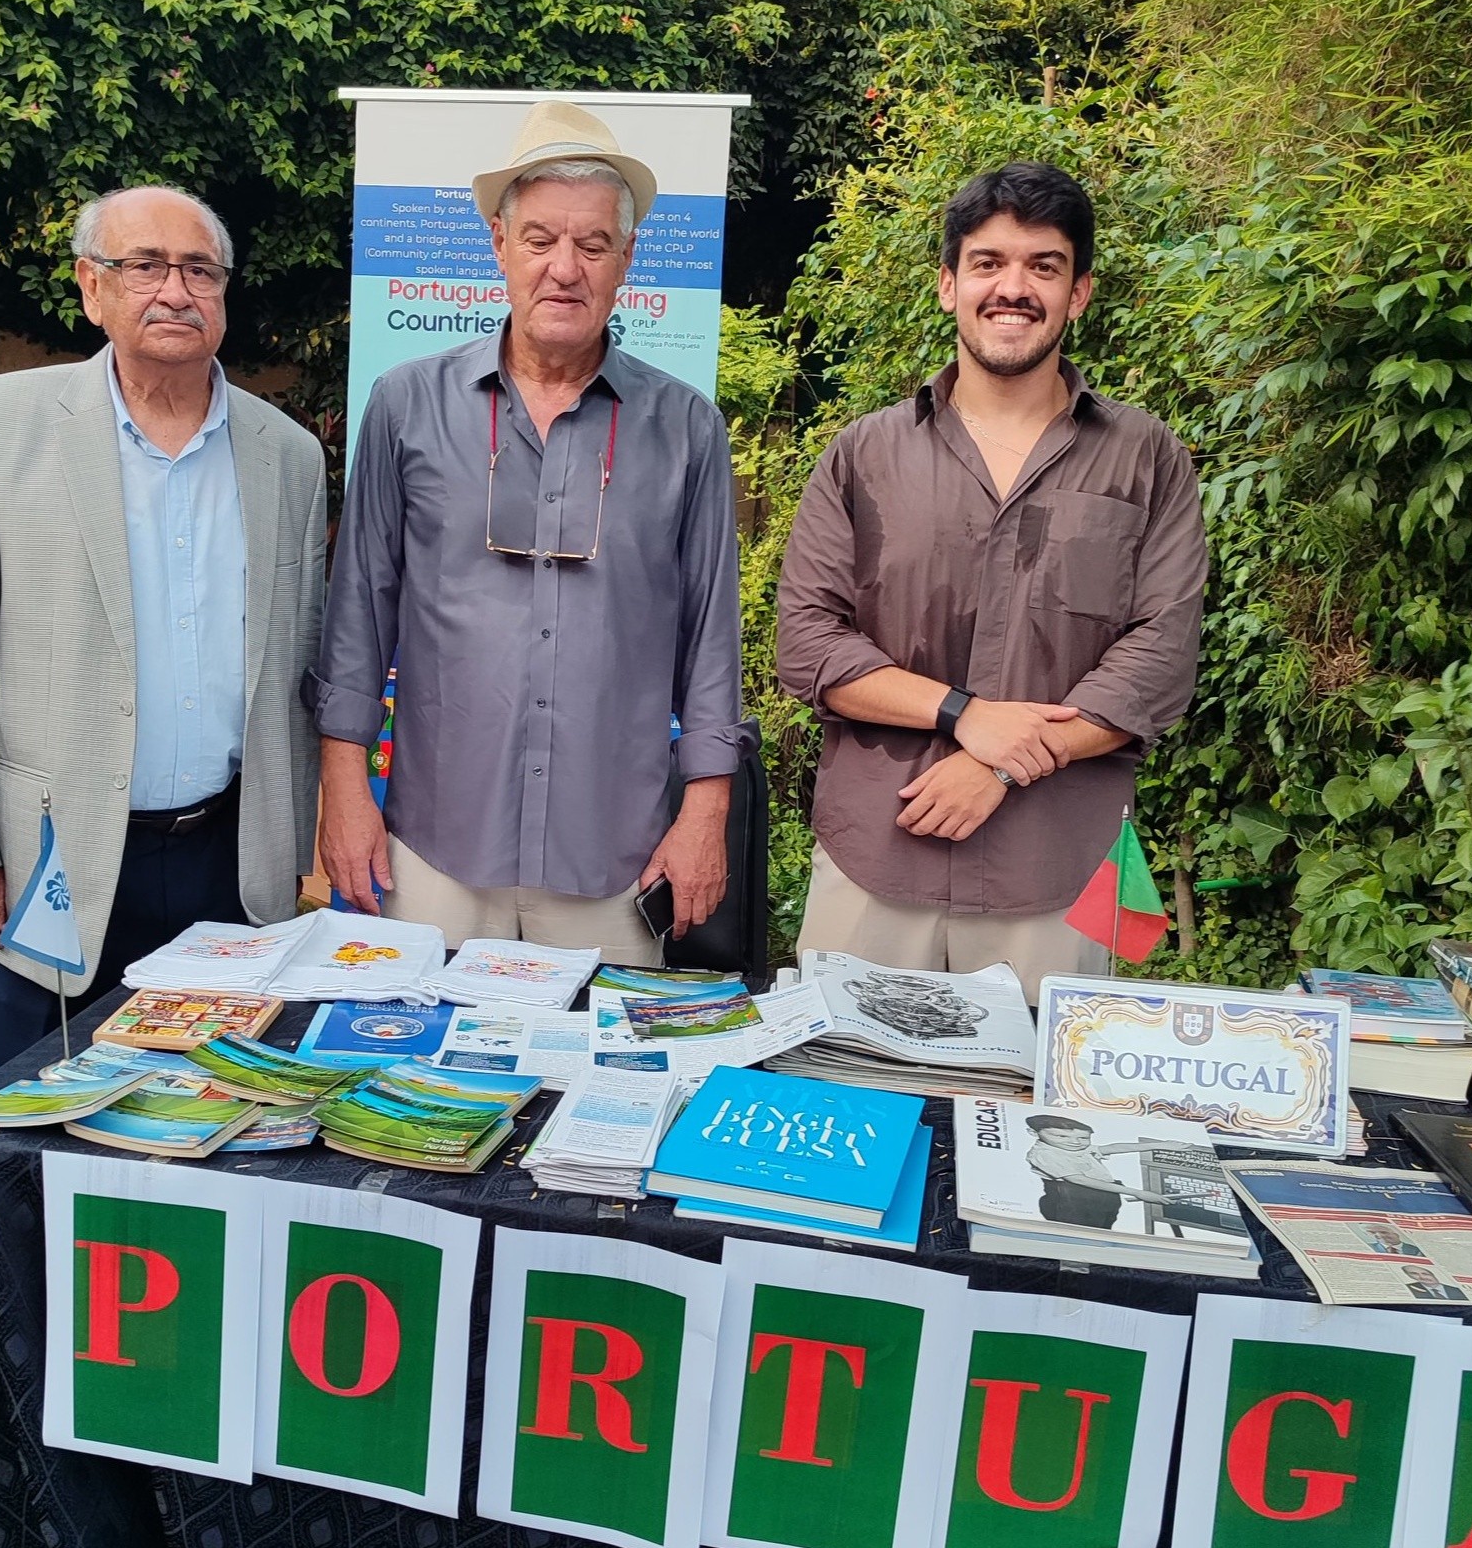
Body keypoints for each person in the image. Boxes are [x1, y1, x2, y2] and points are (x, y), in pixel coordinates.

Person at [306, 100, 751, 963]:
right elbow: (359, 610)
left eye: (593, 245)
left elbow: (711, 641)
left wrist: (705, 812)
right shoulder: (406, 405)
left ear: (627, 261)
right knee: (419, 1047)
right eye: (541, 239)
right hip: (437, 846)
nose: (564, 268)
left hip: (613, 853)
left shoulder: (686, 427)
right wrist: (344, 786)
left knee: (599, 1054)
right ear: (500, 245)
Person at [0, 185, 327, 1086]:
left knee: (208, 1109)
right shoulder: (0, 424)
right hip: (51, 856)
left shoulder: (289, 455)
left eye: (199, 270)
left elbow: (296, 665)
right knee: (34, 1114)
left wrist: (295, 847)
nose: (175, 291)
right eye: (145, 265)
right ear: (90, 286)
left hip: (229, 858)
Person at [776, 161, 1208, 1002]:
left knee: (1037, 1085)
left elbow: (1158, 659)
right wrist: (965, 716)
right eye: (988, 263)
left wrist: (1004, 765)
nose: (1014, 288)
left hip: (1057, 868)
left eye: (1044, 266)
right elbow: (810, 645)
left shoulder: (1146, 458)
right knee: (847, 1076)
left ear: (1079, 294)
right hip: (876, 855)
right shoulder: (864, 455)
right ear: (949, 285)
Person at [1021, 1113, 1167, 1229]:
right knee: (1079, 1234)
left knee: (1103, 1228)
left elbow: (1111, 1148)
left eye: (1083, 1138)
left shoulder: (1071, 1147)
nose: (1075, 1142)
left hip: (1103, 1195)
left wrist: (1159, 1145)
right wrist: (1137, 1192)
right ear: (1033, 1133)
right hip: (1072, 1199)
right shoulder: (1044, 1154)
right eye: (1061, 1136)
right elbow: (1078, 1179)